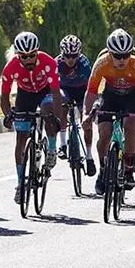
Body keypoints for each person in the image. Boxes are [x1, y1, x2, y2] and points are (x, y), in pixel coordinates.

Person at [86, 29, 135, 193]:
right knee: (104, 132)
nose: (122, 59)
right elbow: (91, 92)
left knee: (130, 125)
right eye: (117, 56)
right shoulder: (102, 63)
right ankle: (103, 170)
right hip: (110, 96)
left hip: (133, 96)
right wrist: (86, 115)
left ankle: (129, 170)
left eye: (126, 55)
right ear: (110, 53)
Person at [0, 31, 62, 204]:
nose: (28, 60)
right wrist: (8, 114)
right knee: (21, 138)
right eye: (24, 57)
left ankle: (51, 149)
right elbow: (3, 96)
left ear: (37, 52)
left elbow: (56, 93)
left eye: (32, 56)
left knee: (48, 112)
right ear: (18, 55)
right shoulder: (11, 66)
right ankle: (20, 183)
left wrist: (56, 118)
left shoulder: (48, 62)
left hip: (45, 93)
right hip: (24, 95)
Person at [54, 35, 95, 175]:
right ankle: (63, 145)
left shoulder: (83, 63)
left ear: (78, 54)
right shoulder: (57, 63)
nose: (70, 59)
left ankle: (89, 156)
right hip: (65, 90)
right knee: (62, 105)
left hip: (82, 91)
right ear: (62, 54)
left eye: (74, 55)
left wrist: (88, 107)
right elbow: (52, 85)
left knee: (87, 121)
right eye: (67, 56)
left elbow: (91, 86)